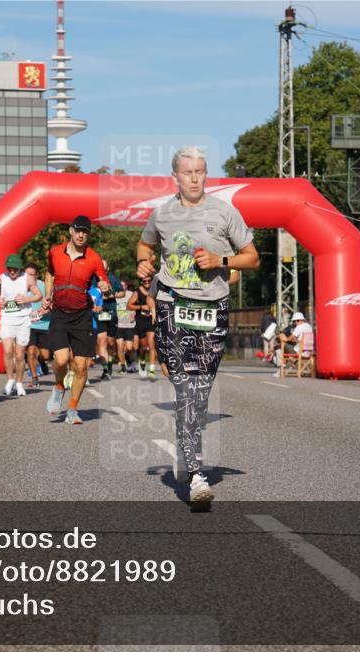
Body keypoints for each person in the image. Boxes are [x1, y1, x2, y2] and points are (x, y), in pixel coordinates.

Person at [137, 146, 259, 508]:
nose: (194, 178)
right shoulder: (162, 213)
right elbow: (144, 247)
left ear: (207, 174)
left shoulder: (225, 212)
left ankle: (188, 448)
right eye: (188, 172)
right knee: (186, 390)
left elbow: (253, 257)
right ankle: (197, 475)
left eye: (200, 171)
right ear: (175, 176)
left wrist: (221, 258)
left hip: (212, 308)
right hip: (173, 304)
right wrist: (145, 265)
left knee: (200, 396)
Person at [43, 215, 110, 424]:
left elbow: (104, 283)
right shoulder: (55, 252)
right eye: (78, 230)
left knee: (82, 366)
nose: (81, 235)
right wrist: (47, 295)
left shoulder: (94, 258)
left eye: (86, 232)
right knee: (61, 360)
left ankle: (72, 409)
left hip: (82, 316)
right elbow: (49, 274)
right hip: (60, 314)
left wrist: (105, 288)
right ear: (71, 231)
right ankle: (59, 386)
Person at [0, 253, 41, 396]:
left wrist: (26, 298)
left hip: (22, 319)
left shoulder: (26, 279)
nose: (12, 271)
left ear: (20, 268)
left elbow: (38, 295)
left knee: (20, 354)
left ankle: (20, 383)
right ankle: (10, 380)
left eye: (15, 269)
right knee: (8, 351)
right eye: (9, 268)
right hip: (7, 319)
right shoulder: (0, 278)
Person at [91, 259, 123, 381]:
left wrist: (111, 295)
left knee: (110, 343)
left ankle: (109, 364)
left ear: (108, 269)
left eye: (104, 268)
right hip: (99, 313)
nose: (102, 271)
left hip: (111, 312)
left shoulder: (113, 279)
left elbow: (122, 293)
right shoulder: (92, 279)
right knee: (101, 341)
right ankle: (105, 370)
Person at [25, 263, 51, 388]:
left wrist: (46, 310)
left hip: (45, 324)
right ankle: (34, 377)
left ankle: (42, 361)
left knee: (45, 355)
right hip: (28, 326)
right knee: (31, 351)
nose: (29, 277)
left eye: (31, 275)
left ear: (36, 275)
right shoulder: (21, 287)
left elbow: (52, 303)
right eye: (26, 274)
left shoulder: (44, 286)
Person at [128, 276, 158, 378]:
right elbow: (129, 306)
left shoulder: (154, 291)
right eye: (144, 281)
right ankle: (142, 361)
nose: (147, 282)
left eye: (149, 281)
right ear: (141, 282)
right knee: (143, 347)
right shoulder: (137, 292)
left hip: (151, 321)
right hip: (140, 321)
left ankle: (152, 371)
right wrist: (141, 307)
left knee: (152, 345)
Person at [274, 312, 313, 377]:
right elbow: (302, 339)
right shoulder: (309, 327)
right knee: (280, 349)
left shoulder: (299, 327)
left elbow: (289, 339)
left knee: (281, 345)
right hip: (308, 351)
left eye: (295, 321)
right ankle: (281, 370)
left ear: (299, 320)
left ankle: (280, 371)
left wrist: (283, 338)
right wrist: (295, 340)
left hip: (298, 352)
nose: (295, 323)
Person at [116, 279, 138, 373]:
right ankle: (122, 366)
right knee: (120, 346)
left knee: (129, 348)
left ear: (126, 286)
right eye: (120, 285)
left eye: (123, 285)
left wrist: (134, 313)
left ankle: (131, 361)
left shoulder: (131, 294)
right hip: (118, 325)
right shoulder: (116, 295)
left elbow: (136, 304)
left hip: (130, 325)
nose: (122, 287)